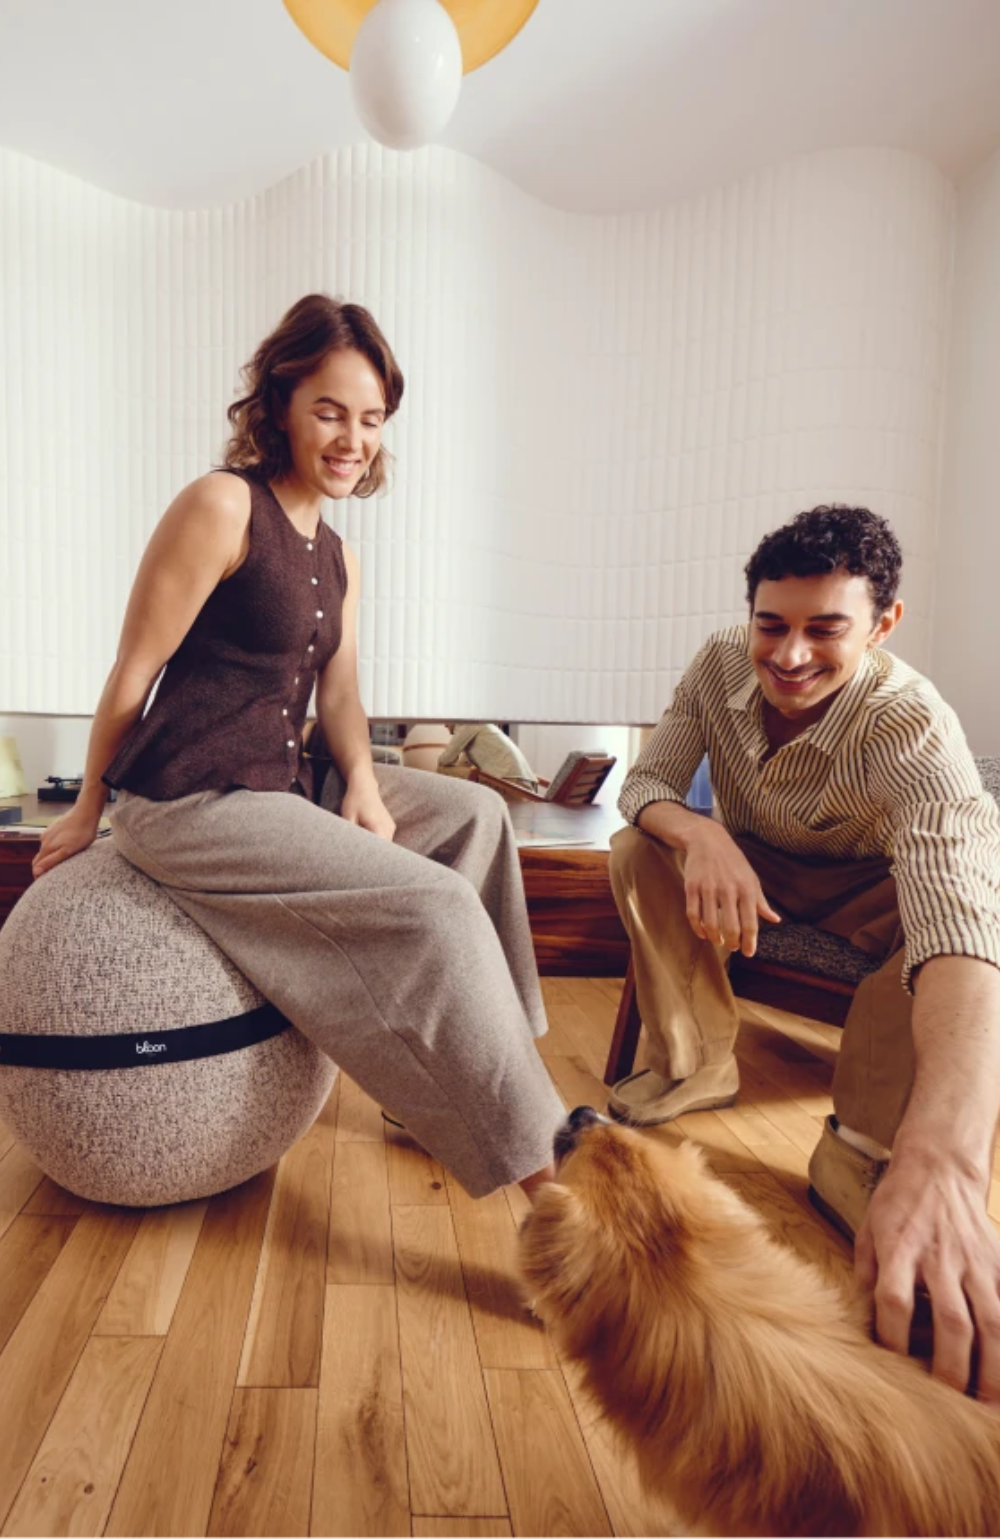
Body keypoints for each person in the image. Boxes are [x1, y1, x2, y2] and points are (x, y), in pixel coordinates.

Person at [32, 292, 563, 1202]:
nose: (354, 439)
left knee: (476, 816)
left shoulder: (340, 554)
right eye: (330, 411)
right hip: (192, 799)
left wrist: (362, 780)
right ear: (279, 404)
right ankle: (549, 1176)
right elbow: (134, 668)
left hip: (284, 781)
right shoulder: (221, 505)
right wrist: (90, 807)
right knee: (436, 906)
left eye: (371, 419)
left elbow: (341, 695)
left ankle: (487, 1079)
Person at [609, 505, 1000, 1399]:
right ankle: (696, 1060)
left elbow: (964, 926)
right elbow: (649, 782)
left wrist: (948, 1157)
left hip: (879, 889)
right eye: (771, 625)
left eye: (825, 629)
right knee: (637, 846)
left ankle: (863, 1150)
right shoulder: (718, 661)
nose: (789, 655)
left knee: (945, 925)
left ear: (883, 623)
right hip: (753, 868)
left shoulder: (915, 728)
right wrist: (702, 835)